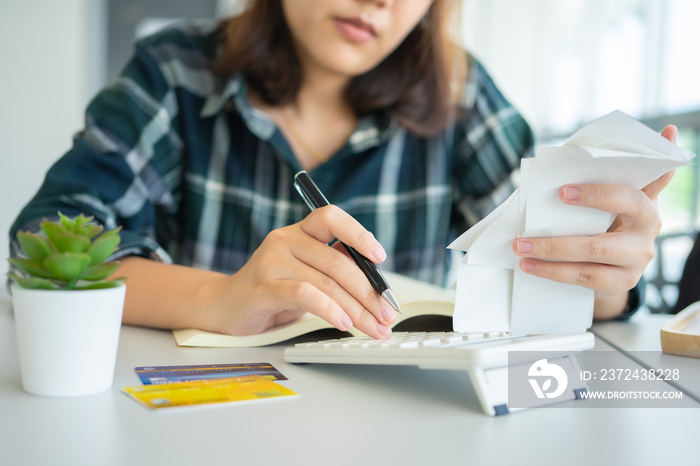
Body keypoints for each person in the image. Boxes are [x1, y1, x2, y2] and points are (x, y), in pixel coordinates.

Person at [10, 0, 677, 340]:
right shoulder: (173, 74)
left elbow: (556, 272)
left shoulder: (461, 95)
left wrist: (601, 273)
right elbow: (41, 248)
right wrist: (220, 299)